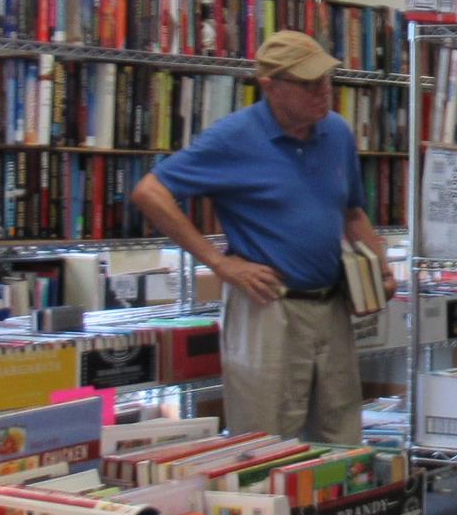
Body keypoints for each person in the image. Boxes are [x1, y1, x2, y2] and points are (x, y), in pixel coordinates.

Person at [132, 30, 392, 448]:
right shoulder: (234, 137)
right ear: (270, 85)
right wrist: (219, 263)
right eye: (308, 83)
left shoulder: (337, 133)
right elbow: (149, 192)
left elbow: (352, 212)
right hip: (268, 306)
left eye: (326, 80)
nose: (323, 92)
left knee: (341, 435)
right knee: (264, 442)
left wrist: (379, 265)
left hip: (332, 304)